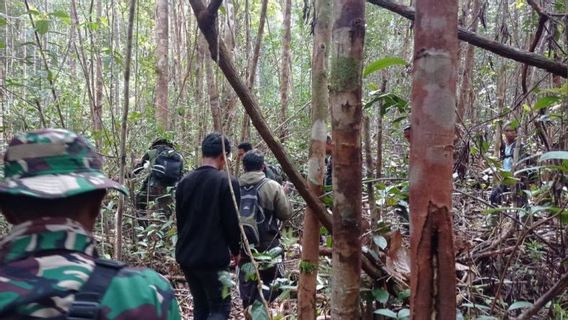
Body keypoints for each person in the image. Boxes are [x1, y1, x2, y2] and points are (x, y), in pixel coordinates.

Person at [0, 128, 181, 319]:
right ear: (97, 204)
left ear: (6, 209)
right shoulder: (149, 293)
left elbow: (138, 169)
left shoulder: (153, 152)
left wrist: (129, 175)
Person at [175, 133, 241, 320]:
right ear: (223, 156)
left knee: (201, 305)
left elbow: (181, 222)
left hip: (188, 257)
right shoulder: (227, 182)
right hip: (214, 259)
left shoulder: (184, 182)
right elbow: (232, 223)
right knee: (220, 307)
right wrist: (236, 251)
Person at [237, 149, 292, 311]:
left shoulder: (234, 185)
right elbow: (285, 213)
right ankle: (261, 306)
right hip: (269, 243)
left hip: (243, 243)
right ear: (262, 167)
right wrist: (283, 193)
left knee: (247, 282)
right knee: (276, 281)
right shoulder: (272, 186)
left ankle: (250, 307)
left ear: (244, 167)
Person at [133, 138, 183, 228]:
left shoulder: (152, 152)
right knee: (165, 214)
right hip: (170, 191)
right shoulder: (178, 156)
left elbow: (138, 170)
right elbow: (180, 176)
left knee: (139, 201)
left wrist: (127, 174)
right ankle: (163, 236)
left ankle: (144, 228)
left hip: (153, 187)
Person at [490, 122, 531, 206]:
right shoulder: (504, 146)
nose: (509, 133)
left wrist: (517, 177)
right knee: (494, 197)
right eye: (507, 130)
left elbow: (523, 163)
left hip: (516, 178)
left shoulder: (519, 146)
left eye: (511, 130)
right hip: (505, 177)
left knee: (521, 202)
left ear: (516, 133)